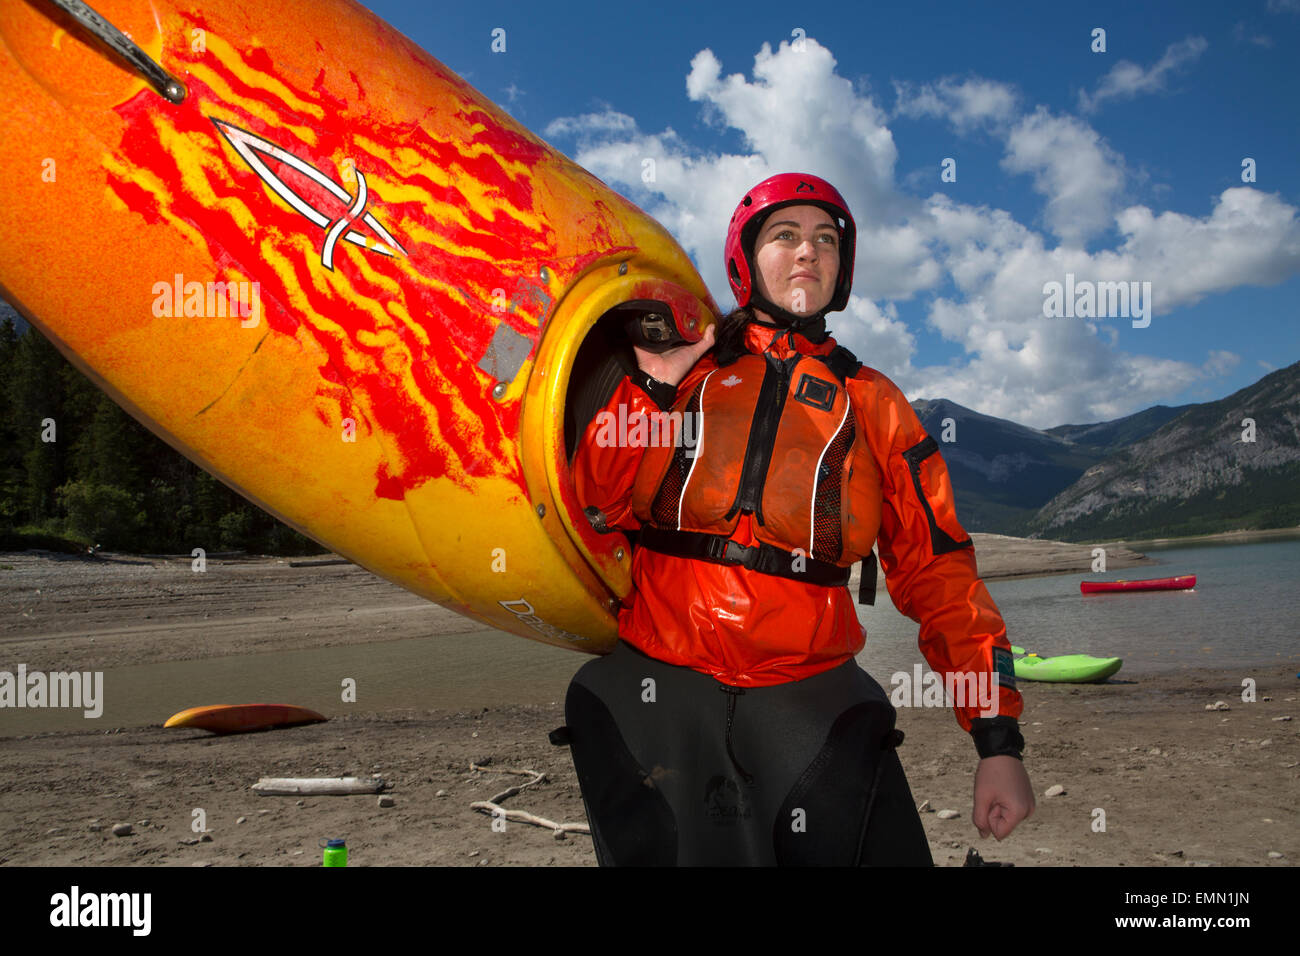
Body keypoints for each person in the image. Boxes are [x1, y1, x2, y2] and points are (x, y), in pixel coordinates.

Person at [565, 172, 1034, 866]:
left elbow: (940, 574)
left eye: (825, 240)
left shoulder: (875, 402)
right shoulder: (682, 373)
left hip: (811, 694)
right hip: (661, 682)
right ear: (746, 258)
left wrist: (997, 742)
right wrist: (652, 385)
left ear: (843, 268)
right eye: (785, 236)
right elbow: (594, 505)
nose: (808, 251)